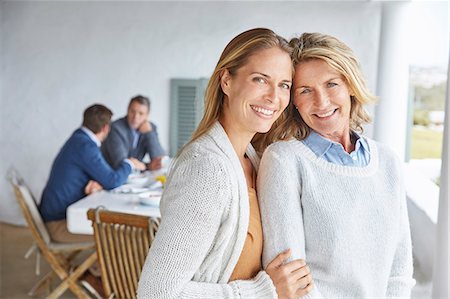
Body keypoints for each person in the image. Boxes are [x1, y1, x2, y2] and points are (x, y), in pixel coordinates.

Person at [137, 28, 313, 299]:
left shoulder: (254, 160)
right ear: (226, 81)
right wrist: (265, 291)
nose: (273, 97)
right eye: (260, 79)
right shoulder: (206, 169)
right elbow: (157, 292)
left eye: (284, 85)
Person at [257, 32, 416, 298]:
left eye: (331, 84)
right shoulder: (284, 160)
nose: (322, 102)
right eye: (305, 90)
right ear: (293, 102)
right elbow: (292, 276)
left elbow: (399, 268)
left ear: (350, 85)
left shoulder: (387, 161)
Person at [39, 104, 145, 243]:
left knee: (114, 230)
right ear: (106, 128)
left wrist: (99, 182)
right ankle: (103, 265)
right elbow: (112, 181)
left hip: (57, 216)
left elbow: (103, 177)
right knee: (117, 236)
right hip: (60, 225)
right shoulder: (86, 145)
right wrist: (129, 163)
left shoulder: (78, 138)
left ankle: (98, 265)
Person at [101, 95, 166, 171]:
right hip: (113, 175)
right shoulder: (115, 128)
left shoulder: (151, 128)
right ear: (128, 110)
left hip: (135, 177)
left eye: (141, 113)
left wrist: (149, 133)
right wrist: (147, 166)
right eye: (132, 111)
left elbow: (160, 160)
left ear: (147, 115)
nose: (135, 117)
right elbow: (121, 163)